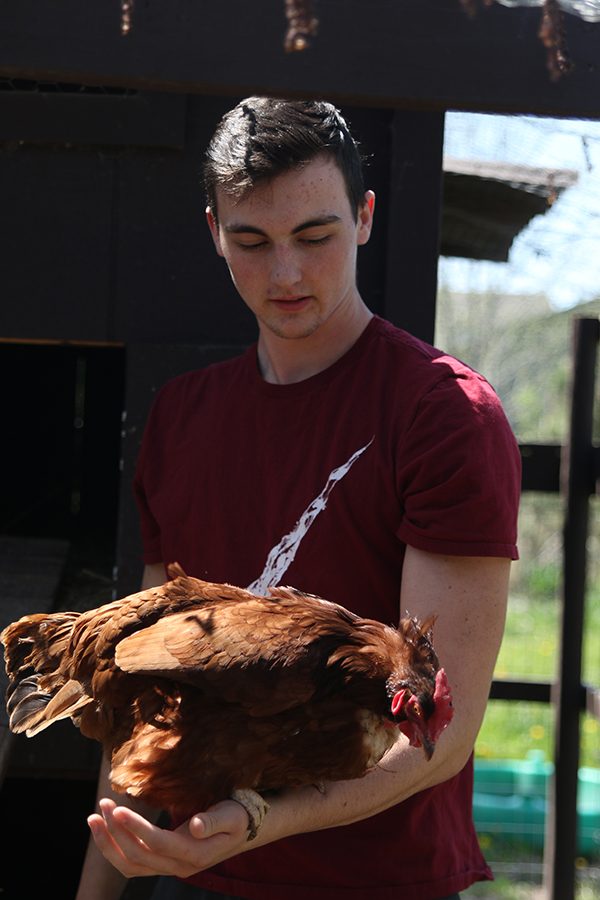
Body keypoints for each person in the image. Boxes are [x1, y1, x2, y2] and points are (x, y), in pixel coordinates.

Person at [75, 96, 521, 900]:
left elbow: (441, 730)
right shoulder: (180, 418)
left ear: (364, 218)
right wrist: (99, 886)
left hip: (378, 880)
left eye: (314, 237)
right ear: (214, 231)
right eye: (252, 241)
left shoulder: (445, 414)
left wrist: (258, 819)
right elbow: (144, 694)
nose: (285, 272)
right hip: (199, 874)